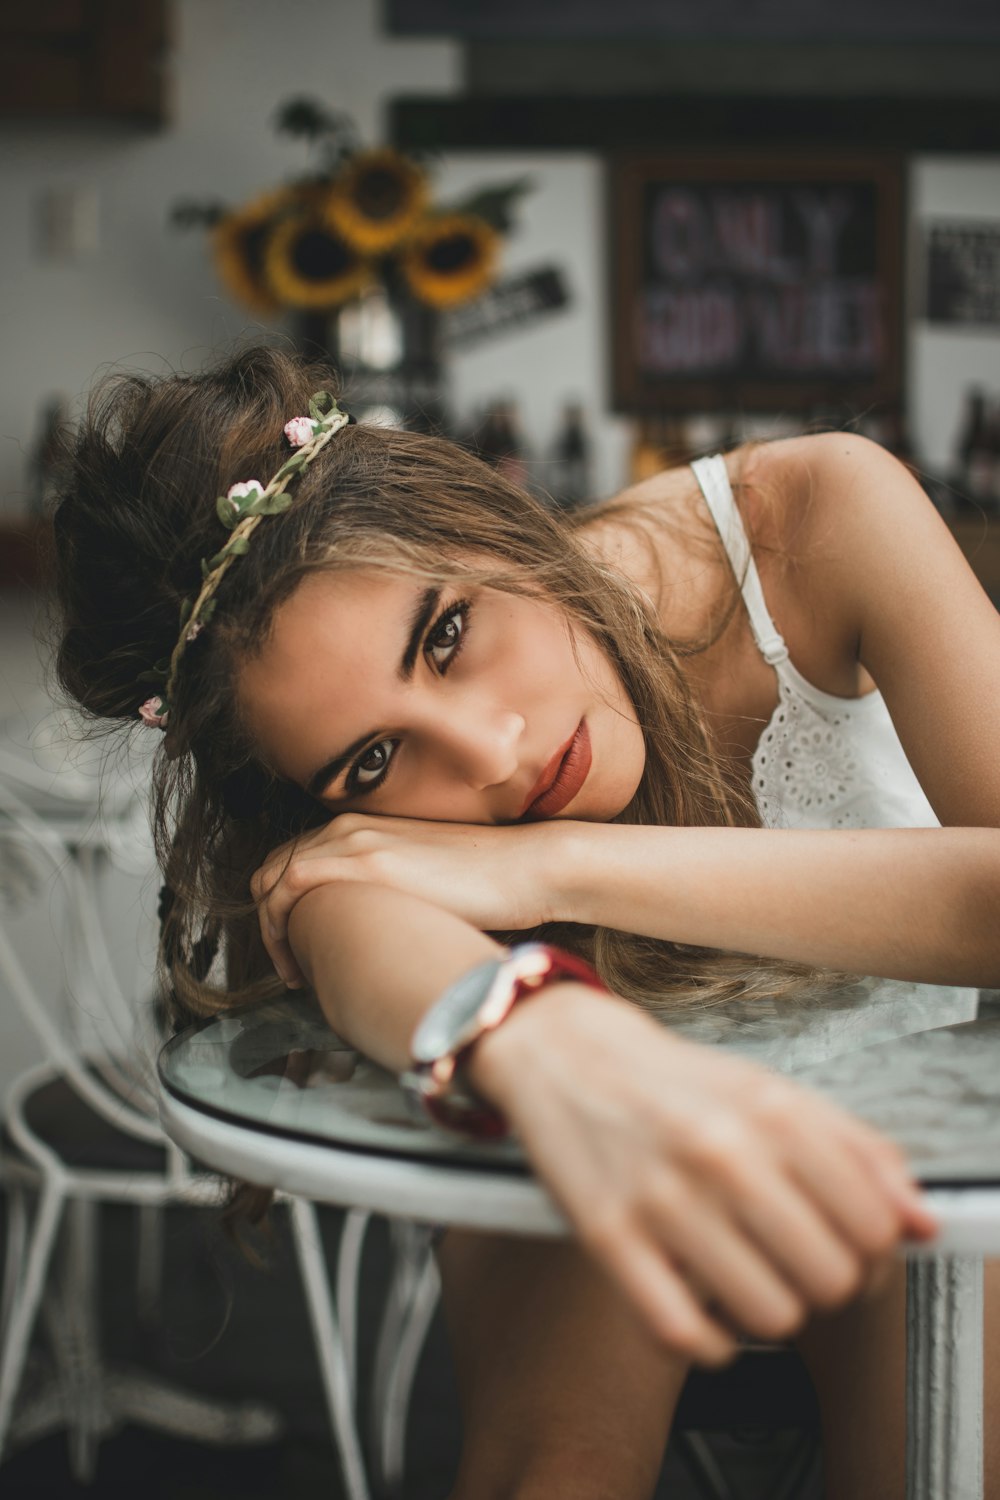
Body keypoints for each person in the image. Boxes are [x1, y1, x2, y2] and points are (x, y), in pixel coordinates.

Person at [53, 344, 1000, 1500]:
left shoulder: (811, 513)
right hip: (609, 1139)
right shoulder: (368, 825)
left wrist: (558, 863)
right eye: (374, 758)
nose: (495, 757)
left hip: (946, 1130)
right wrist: (547, 1041)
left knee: (935, 1436)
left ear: (493, 517)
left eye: (446, 635)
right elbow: (346, 916)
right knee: (552, 1468)